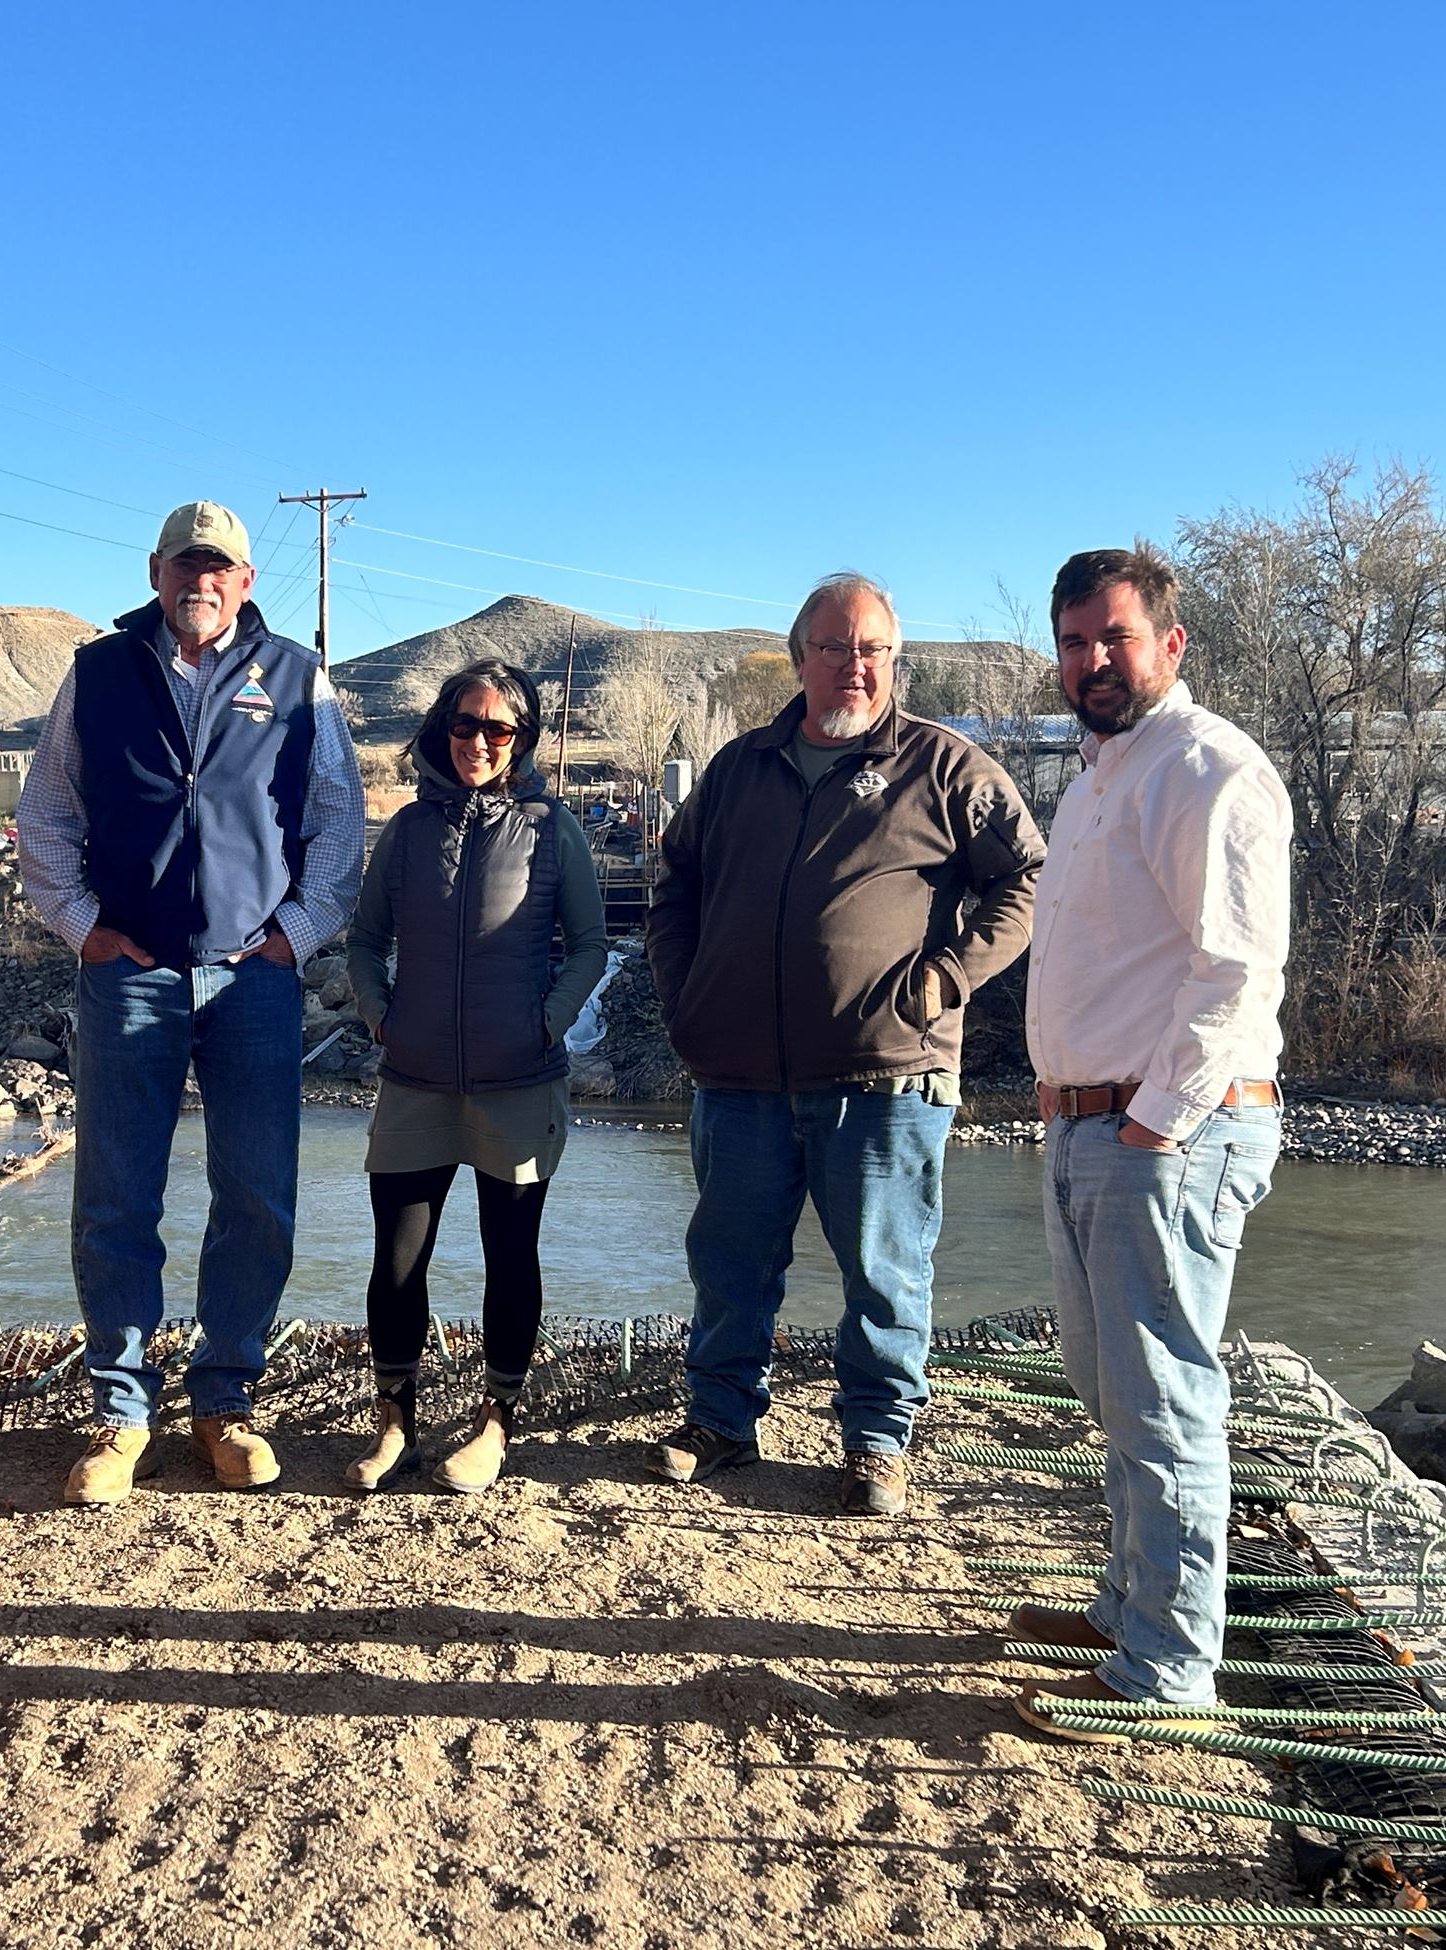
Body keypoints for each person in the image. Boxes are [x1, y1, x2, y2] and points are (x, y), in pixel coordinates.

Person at [646, 573, 1043, 1514]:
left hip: (885, 1074)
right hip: (736, 1073)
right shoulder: (740, 768)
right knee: (730, 1260)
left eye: (871, 649)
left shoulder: (946, 769)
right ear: (799, 658)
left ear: (893, 661)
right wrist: (684, 998)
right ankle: (721, 1418)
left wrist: (946, 978)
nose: (853, 666)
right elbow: (674, 889)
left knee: (885, 1268)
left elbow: (1026, 879)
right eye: (834, 647)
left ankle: (875, 1441)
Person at [18, 501, 365, 1506]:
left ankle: (225, 1399)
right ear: (155, 569)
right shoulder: (97, 670)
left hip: (251, 976)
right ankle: (121, 1411)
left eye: (218, 568)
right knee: (117, 1195)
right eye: (183, 565)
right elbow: (45, 809)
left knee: (256, 1194)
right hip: (130, 970)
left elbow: (336, 821)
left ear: (245, 581)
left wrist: (293, 939)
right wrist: (81, 925)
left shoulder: (297, 676)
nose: (198, 582)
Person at [1009, 545, 1291, 1737]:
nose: (1089, 661)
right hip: (1096, 1123)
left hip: (1165, 1131)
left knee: (1164, 1395)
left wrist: (1147, 1121)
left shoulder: (1206, 769)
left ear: (1169, 645)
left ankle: (1168, 1668)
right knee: (1112, 1388)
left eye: (1110, 638)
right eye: (1072, 641)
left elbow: (1235, 969)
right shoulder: (1098, 774)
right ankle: (1128, 1607)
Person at [343, 659, 609, 1495]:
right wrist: (380, 1011)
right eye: (467, 725)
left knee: (510, 1254)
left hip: (518, 1083)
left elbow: (592, 946)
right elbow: (362, 939)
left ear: (521, 741)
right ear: (440, 728)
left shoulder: (550, 828)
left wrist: (546, 1021)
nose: (481, 743)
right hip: (416, 1078)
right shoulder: (408, 832)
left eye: (501, 730)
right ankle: (395, 1422)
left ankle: (495, 1424)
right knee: (396, 1259)